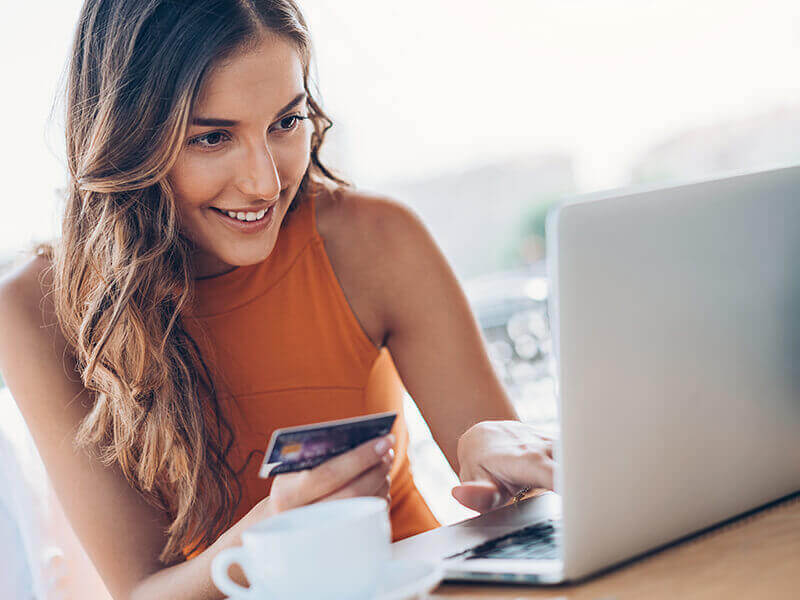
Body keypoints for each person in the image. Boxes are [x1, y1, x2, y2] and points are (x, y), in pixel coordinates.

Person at [0, 0, 555, 597]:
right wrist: (272, 532)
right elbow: (140, 592)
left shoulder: (375, 240)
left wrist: (506, 460)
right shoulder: (37, 310)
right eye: (212, 137)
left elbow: (524, 510)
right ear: (127, 143)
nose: (265, 182)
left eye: (285, 123)